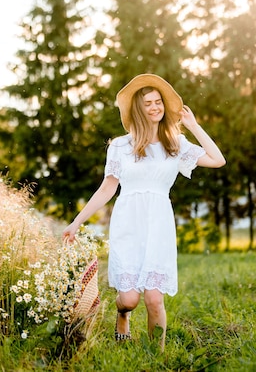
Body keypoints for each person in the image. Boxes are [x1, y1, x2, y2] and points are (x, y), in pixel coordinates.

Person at [62, 74, 225, 350]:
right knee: (129, 300)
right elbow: (106, 189)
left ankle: (154, 358)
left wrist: (194, 126)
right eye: (148, 103)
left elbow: (218, 160)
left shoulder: (175, 145)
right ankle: (122, 314)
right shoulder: (120, 147)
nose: (154, 107)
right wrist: (76, 222)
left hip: (159, 225)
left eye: (158, 102)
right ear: (138, 109)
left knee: (153, 299)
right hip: (128, 224)